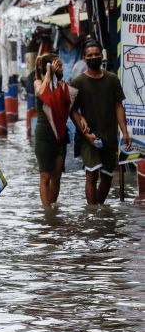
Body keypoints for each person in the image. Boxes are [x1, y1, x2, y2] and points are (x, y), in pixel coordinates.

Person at [70, 40, 131, 205]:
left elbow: (118, 106)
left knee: (106, 177)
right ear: (84, 58)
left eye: (96, 54)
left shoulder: (112, 79)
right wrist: (85, 133)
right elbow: (71, 110)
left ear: (101, 56)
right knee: (91, 174)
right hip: (89, 136)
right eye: (90, 55)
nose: (94, 57)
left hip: (109, 135)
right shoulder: (77, 82)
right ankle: (92, 214)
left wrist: (124, 131)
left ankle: (98, 210)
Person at [33, 53, 73, 208]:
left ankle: (52, 209)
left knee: (56, 178)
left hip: (60, 135)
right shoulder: (38, 82)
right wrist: (49, 73)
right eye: (58, 65)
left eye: (61, 66)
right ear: (48, 67)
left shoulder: (62, 85)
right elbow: (41, 92)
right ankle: (47, 213)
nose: (61, 68)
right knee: (45, 176)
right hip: (44, 135)